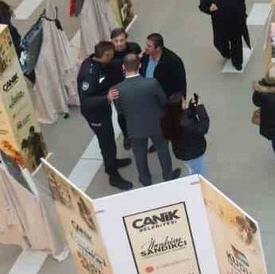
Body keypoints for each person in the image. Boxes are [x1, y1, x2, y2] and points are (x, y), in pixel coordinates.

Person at [112, 53, 177, 186]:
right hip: (156, 124)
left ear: (123, 67)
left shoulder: (118, 89)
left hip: (135, 127)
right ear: (140, 65)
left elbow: (120, 111)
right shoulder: (151, 83)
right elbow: (163, 102)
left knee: (139, 155)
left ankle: (145, 179)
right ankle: (168, 175)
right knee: (162, 149)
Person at [77, 41, 134, 190]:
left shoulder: (99, 62)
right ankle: (112, 174)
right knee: (106, 142)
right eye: (111, 55)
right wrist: (106, 98)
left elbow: (113, 65)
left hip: (103, 110)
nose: (113, 58)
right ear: (105, 55)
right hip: (95, 114)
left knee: (109, 138)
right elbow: (85, 101)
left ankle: (113, 161)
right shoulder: (90, 74)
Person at [198, 0, 248, 71]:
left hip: (235, 23)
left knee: (236, 44)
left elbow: (241, 1)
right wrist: (209, 9)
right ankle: (226, 53)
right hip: (220, 26)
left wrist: (242, 15)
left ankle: (237, 62)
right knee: (218, 43)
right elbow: (202, 6)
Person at [162, 93, 209, 178]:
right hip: (194, 152)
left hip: (181, 150)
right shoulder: (187, 124)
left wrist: (192, 108)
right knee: (199, 172)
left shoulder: (169, 118)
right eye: (184, 101)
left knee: (190, 166)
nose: (185, 102)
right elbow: (203, 128)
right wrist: (200, 109)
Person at [142, 32, 187, 99]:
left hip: (165, 98)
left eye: (149, 46)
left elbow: (181, 82)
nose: (145, 48)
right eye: (146, 45)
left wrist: (182, 98)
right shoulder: (145, 56)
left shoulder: (173, 61)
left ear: (158, 48)